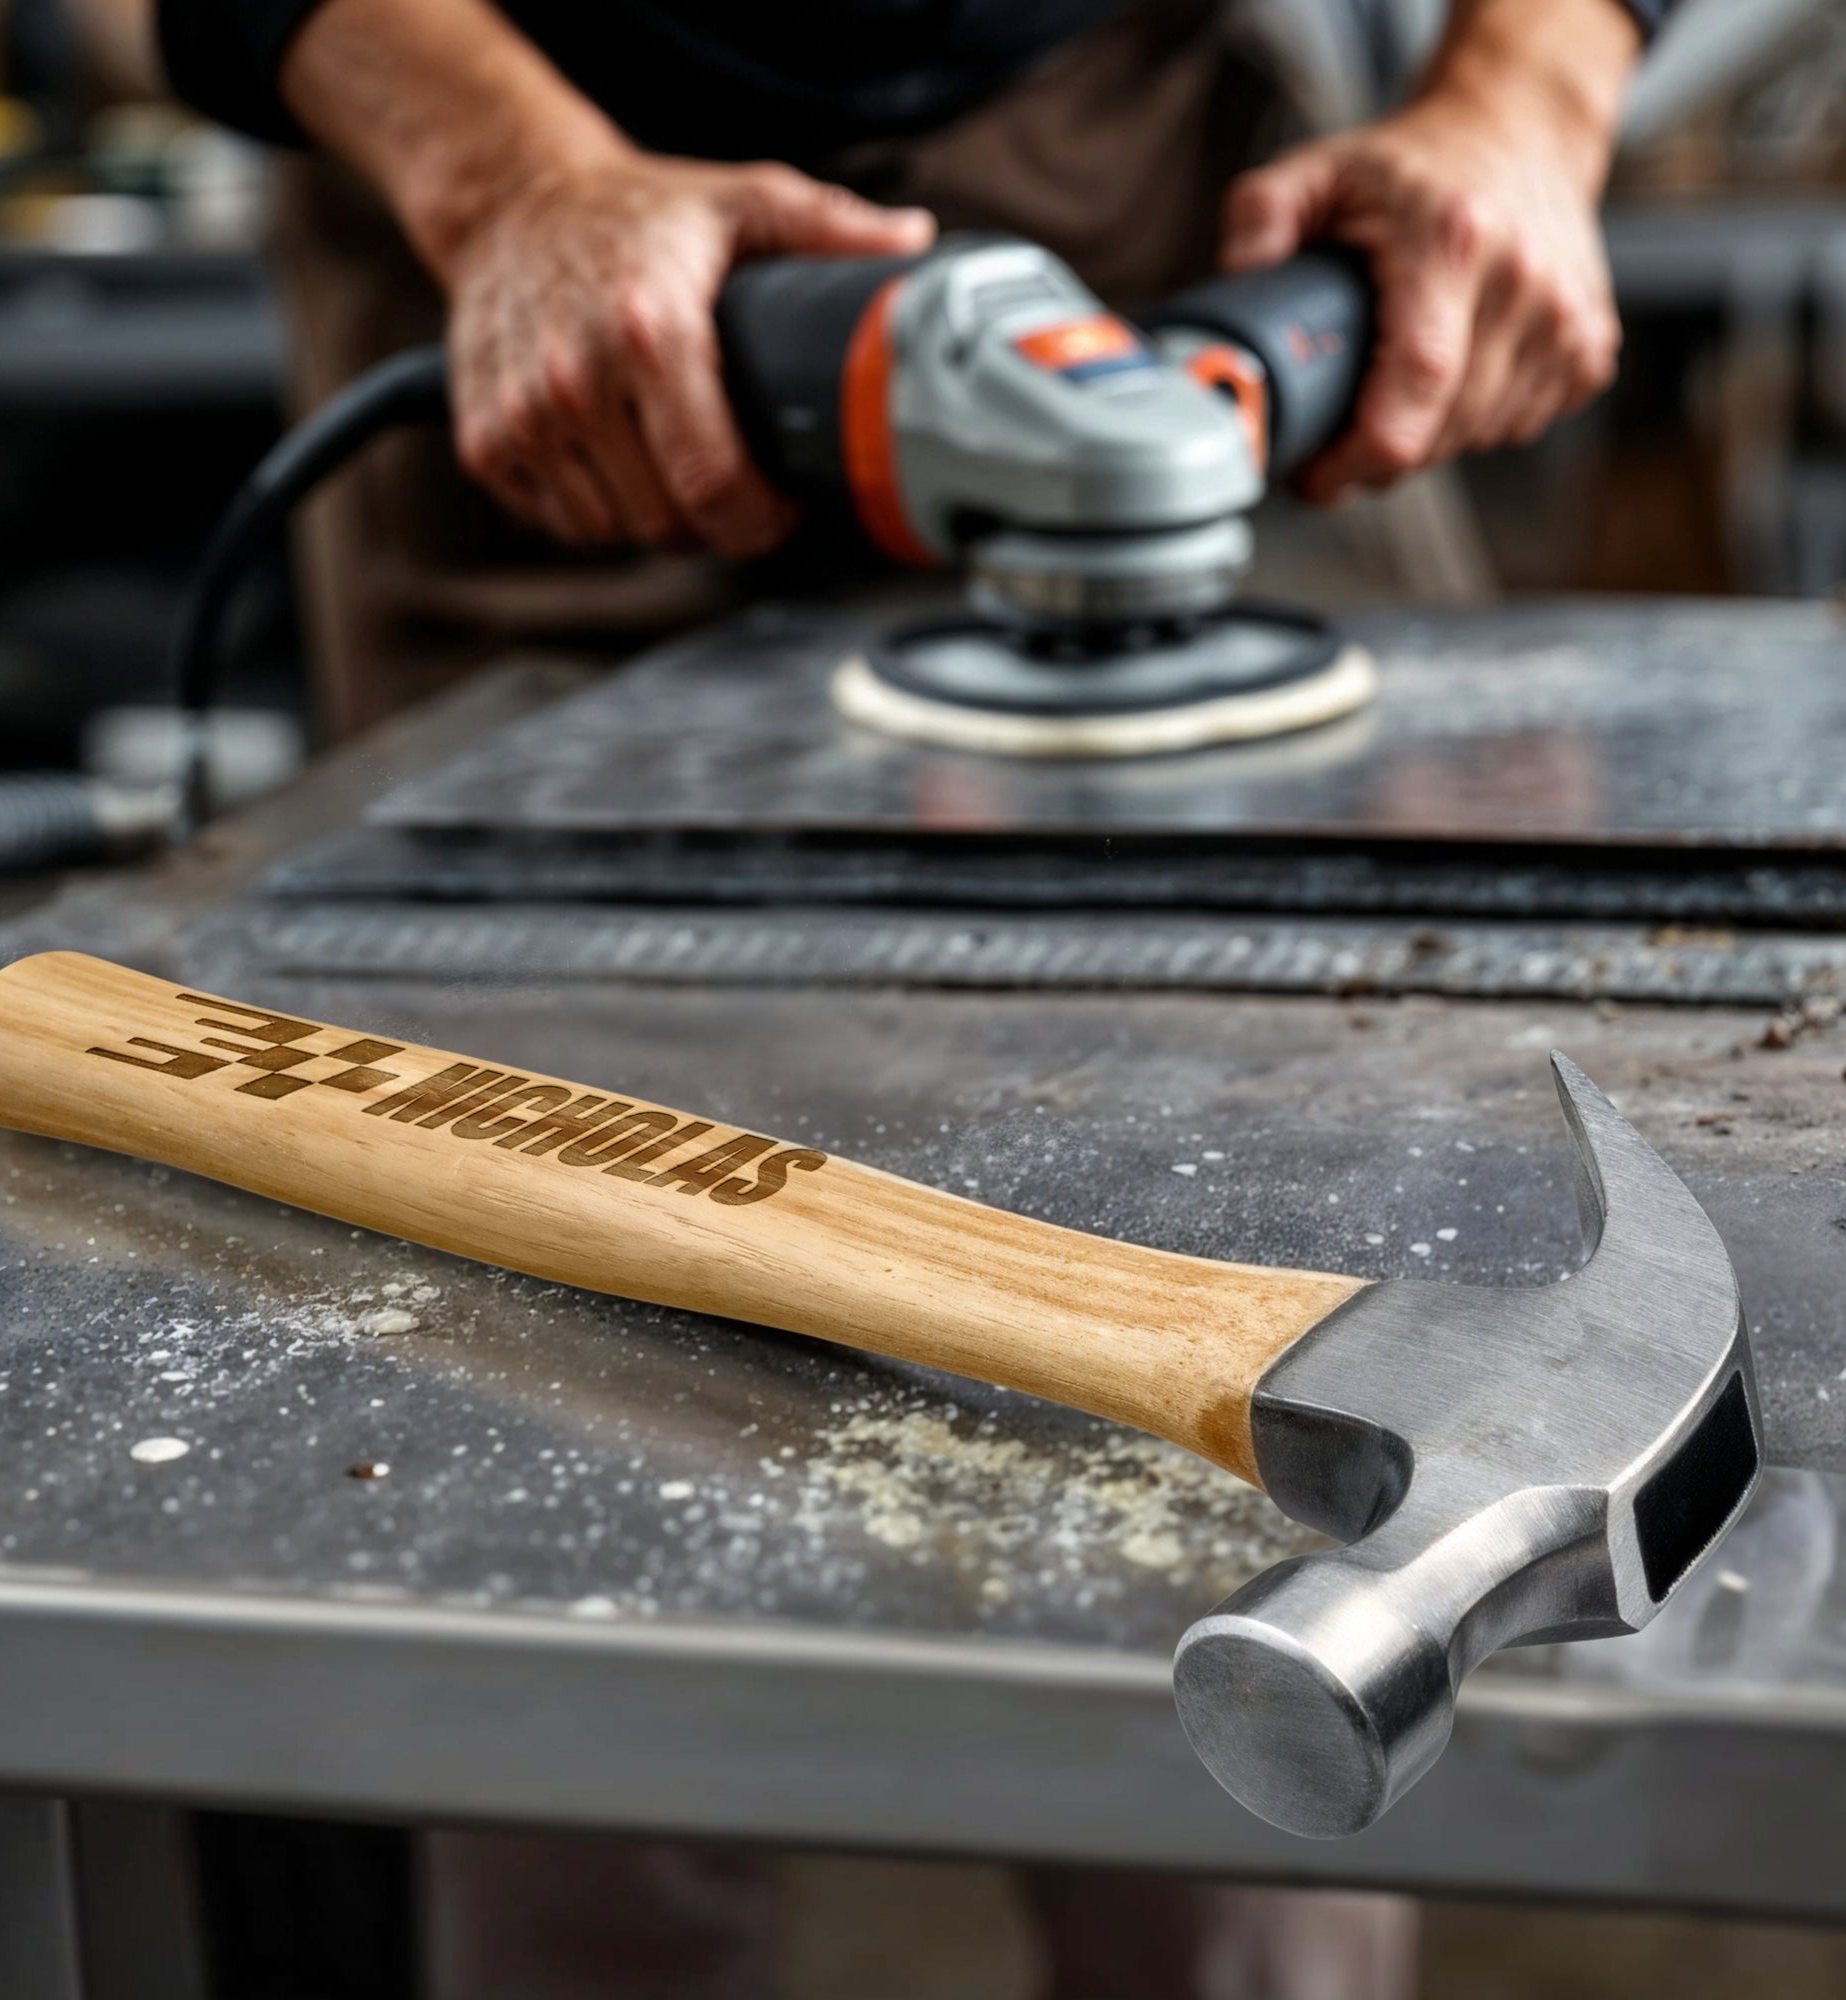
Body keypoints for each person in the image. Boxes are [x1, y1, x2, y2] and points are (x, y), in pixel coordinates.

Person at [154, 4, 1669, 1993]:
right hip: (536, 205)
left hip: (1150, 191)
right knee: (555, 1454)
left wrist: (1526, 91)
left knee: (1247, 1562)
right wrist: (500, 176)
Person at [160, 0, 1668, 737]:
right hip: (507, 159)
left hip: (1118, 153)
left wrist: (1527, 98)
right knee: (503, 1082)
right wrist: (500, 182)